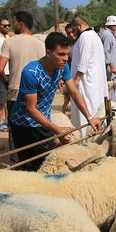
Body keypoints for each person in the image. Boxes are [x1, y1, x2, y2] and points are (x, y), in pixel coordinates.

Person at [10, 33, 101, 171]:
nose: (65, 59)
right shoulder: (31, 72)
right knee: (31, 168)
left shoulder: (62, 67)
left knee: (49, 161)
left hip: (44, 121)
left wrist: (89, 117)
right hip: (25, 125)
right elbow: (31, 109)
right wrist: (57, 130)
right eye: (60, 54)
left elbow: (74, 92)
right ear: (48, 52)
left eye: (67, 54)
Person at [0, 11, 45, 163]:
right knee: (34, 125)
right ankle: (35, 158)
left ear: (21, 23)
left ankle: (17, 162)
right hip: (35, 94)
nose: (12, 25)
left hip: (15, 93)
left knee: (14, 128)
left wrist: (7, 84)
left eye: (14, 22)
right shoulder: (40, 44)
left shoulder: (9, 42)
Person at [68, 17, 108, 136]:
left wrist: (76, 79)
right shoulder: (93, 36)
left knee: (86, 110)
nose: (73, 34)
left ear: (79, 26)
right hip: (92, 81)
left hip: (86, 83)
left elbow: (84, 60)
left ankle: (84, 137)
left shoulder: (86, 37)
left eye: (74, 30)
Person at [100, 17, 116, 102]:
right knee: (112, 86)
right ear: (111, 25)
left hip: (111, 65)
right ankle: (111, 106)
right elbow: (106, 51)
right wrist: (111, 65)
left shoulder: (107, 34)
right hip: (110, 67)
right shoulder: (107, 35)